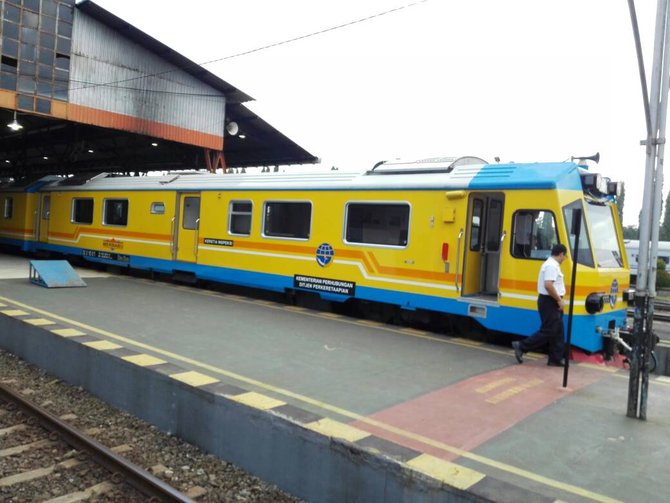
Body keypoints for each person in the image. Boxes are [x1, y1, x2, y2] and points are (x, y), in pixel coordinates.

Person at [512, 243, 568, 366]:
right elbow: (548, 285)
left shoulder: (552, 265)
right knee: (549, 330)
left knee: (558, 330)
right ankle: (521, 346)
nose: (565, 259)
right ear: (561, 254)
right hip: (549, 301)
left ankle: (555, 358)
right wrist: (559, 300)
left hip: (551, 300)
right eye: (565, 256)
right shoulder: (551, 266)